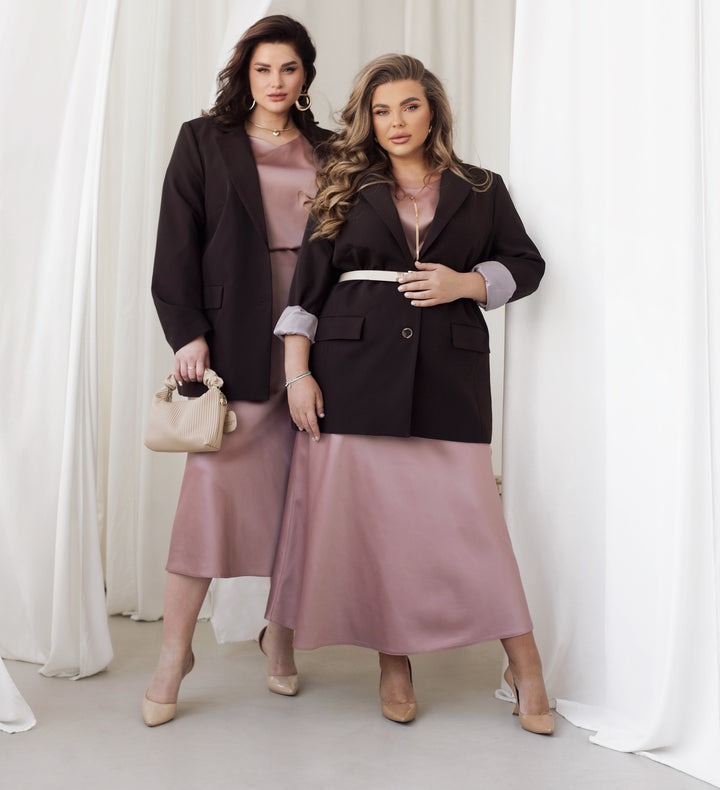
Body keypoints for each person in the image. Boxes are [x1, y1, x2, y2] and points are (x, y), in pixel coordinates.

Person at [266, 54, 554, 734]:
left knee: (475, 527)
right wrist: (297, 374)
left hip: (449, 379)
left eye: (410, 106)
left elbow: (527, 264)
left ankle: (526, 666)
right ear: (369, 120)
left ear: (433, 113)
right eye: (382, 110)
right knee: (379, 531)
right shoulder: (343, 188)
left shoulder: (482, 188)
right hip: (353, 376)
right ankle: (392, 664)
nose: (396, 121)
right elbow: (305, 293)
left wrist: (466, 284)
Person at [143, 15, 330, 727]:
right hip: (234, 339)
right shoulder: (204, 140)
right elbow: (176, 242)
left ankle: (279, 637)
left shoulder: (333, 150)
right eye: (263, 68)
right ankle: (174, 653)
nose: (276, 81)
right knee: (209, 504)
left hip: (318, 341)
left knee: (303, 500)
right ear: (245, 74)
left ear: (306, 75)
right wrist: (187, 333)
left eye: (289, 68)